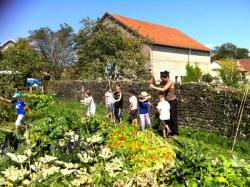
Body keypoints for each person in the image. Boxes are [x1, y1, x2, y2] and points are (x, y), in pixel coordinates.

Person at [150, 71, 179, 136]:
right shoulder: (165, 81)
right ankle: (169, 131)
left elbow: (163, 89)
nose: (162, 80)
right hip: (167, 101)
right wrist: (152, 79)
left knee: (173, 117)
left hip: (172, 101)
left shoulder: (170, 82)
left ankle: (175, 133)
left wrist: (153, 87)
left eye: (163, 79)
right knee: (167, 116)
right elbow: (156, 84)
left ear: (167, 77)